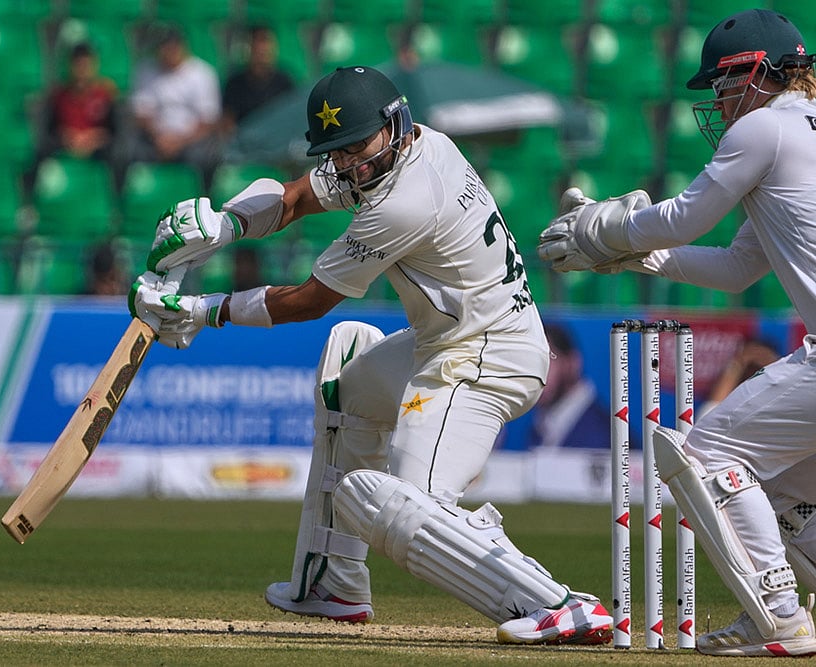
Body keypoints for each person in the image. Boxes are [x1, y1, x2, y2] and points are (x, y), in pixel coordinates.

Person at [129, 65, 612, 645]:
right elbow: (296, 197)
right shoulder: (397, 153)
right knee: (350, 390)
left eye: (357, 148)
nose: (349, 164)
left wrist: (203, 310)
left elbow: (310, 300)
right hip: (448, 342)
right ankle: (333, 583)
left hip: (486, 359)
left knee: (402, 505)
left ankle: (559, 604)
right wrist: (223, 223)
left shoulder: (404, 202)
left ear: (394, 124)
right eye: (337, 152)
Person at [536, 8, 816, 657]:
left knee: (708, 453)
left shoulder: (764, 129)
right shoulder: (797, 131)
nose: (717, 101)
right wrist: (639, 255)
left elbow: (685, 217)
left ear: (755, 71)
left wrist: (602, 231)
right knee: (783, 486)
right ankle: (777, 611)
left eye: (721, 84)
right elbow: (739, 268)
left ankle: (778, 616)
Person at [25, 42, 121, 197]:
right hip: (66, 145)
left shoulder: (105, 94)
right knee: (36, 153)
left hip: (96, 148)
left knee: (119, 155)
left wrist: (95, 138)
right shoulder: (59, 96)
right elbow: (50, 129)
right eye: (78, 64)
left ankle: (115, 201)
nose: (82, 70)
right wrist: (66, 137)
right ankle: (31, 200)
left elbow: (115, 131)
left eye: (86, 64)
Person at [130, 27, 222, 188]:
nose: (168, 51)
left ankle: (204, 196)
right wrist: (159, 138)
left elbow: (208, 121)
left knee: (206, 156)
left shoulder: (202, 73)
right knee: (127, 152)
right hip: (155, 138)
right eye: (163, 47)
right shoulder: (146, 70)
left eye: (172, 46)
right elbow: (142, 114)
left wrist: (178, 142)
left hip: (191, 140)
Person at [526, 323, 611, 449]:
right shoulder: (540, 426)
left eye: (545, 361)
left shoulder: (604, 436)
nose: (533, 374)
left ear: (572, 363)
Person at [220, 25, 296, 134]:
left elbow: (291, 119)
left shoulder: (285, 81)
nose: (262, 52)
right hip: (245, 140)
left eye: (267, 45)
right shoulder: (234, 83)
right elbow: (227, 121)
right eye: (258, 46)